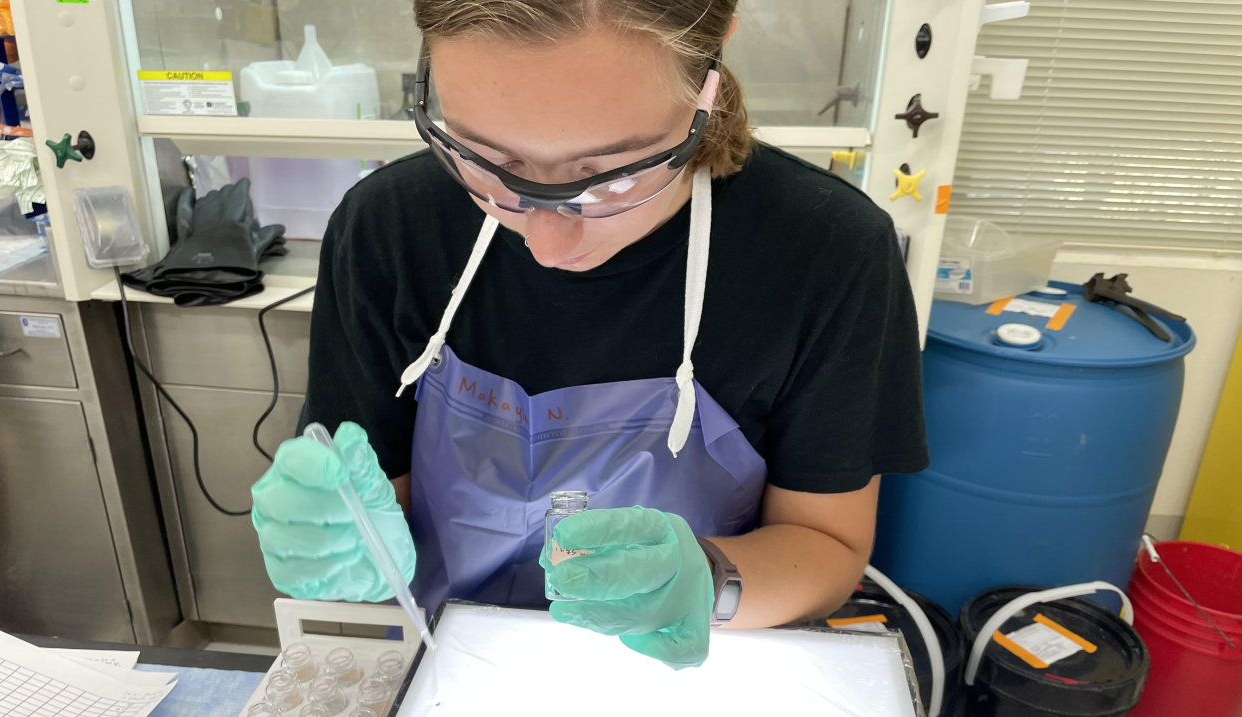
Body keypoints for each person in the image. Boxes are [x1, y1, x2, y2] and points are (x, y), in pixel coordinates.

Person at [251, 0, 928, 669]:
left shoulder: (825, 252)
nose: (546, 241)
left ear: (708, 75)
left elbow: (826, 544)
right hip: (442, 659)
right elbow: (372, 503)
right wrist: (342, 545)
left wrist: (707, 578)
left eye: (612, 176)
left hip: (685, 668)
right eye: (487, 161)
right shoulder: (388, 229)